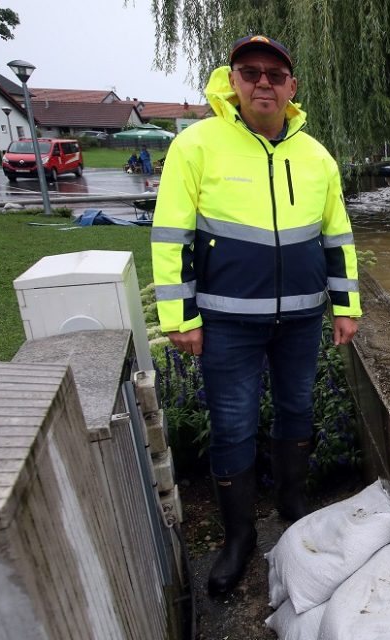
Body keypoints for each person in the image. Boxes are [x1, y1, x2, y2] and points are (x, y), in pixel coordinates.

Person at [151, 34, 362, 596]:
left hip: (300, 319)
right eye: (251, 72)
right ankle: (238, 537)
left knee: (297, 409)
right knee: (233, 427)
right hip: (225, 323)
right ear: (233, 81)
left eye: (275, 73)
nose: (263, 82)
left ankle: (293, 506)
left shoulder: (317, 156)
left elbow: (336, 237)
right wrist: (180, 316)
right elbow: (170, 237)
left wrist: (346, 305)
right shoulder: (196, 146)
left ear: (292, 87)